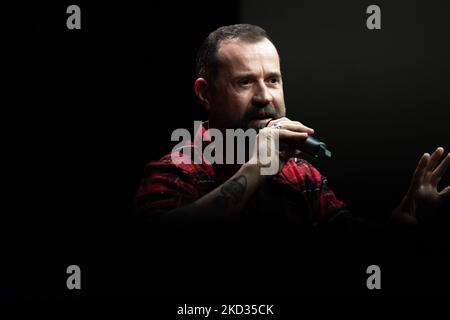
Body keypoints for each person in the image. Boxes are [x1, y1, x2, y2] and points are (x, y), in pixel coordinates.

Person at [135, 24, 449, 228]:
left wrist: (402, 222)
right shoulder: (178, 170)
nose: (264, 96)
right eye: (244, 82)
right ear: (205, 94)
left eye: (273, 80)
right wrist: (259, 166)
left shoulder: (300, 174)